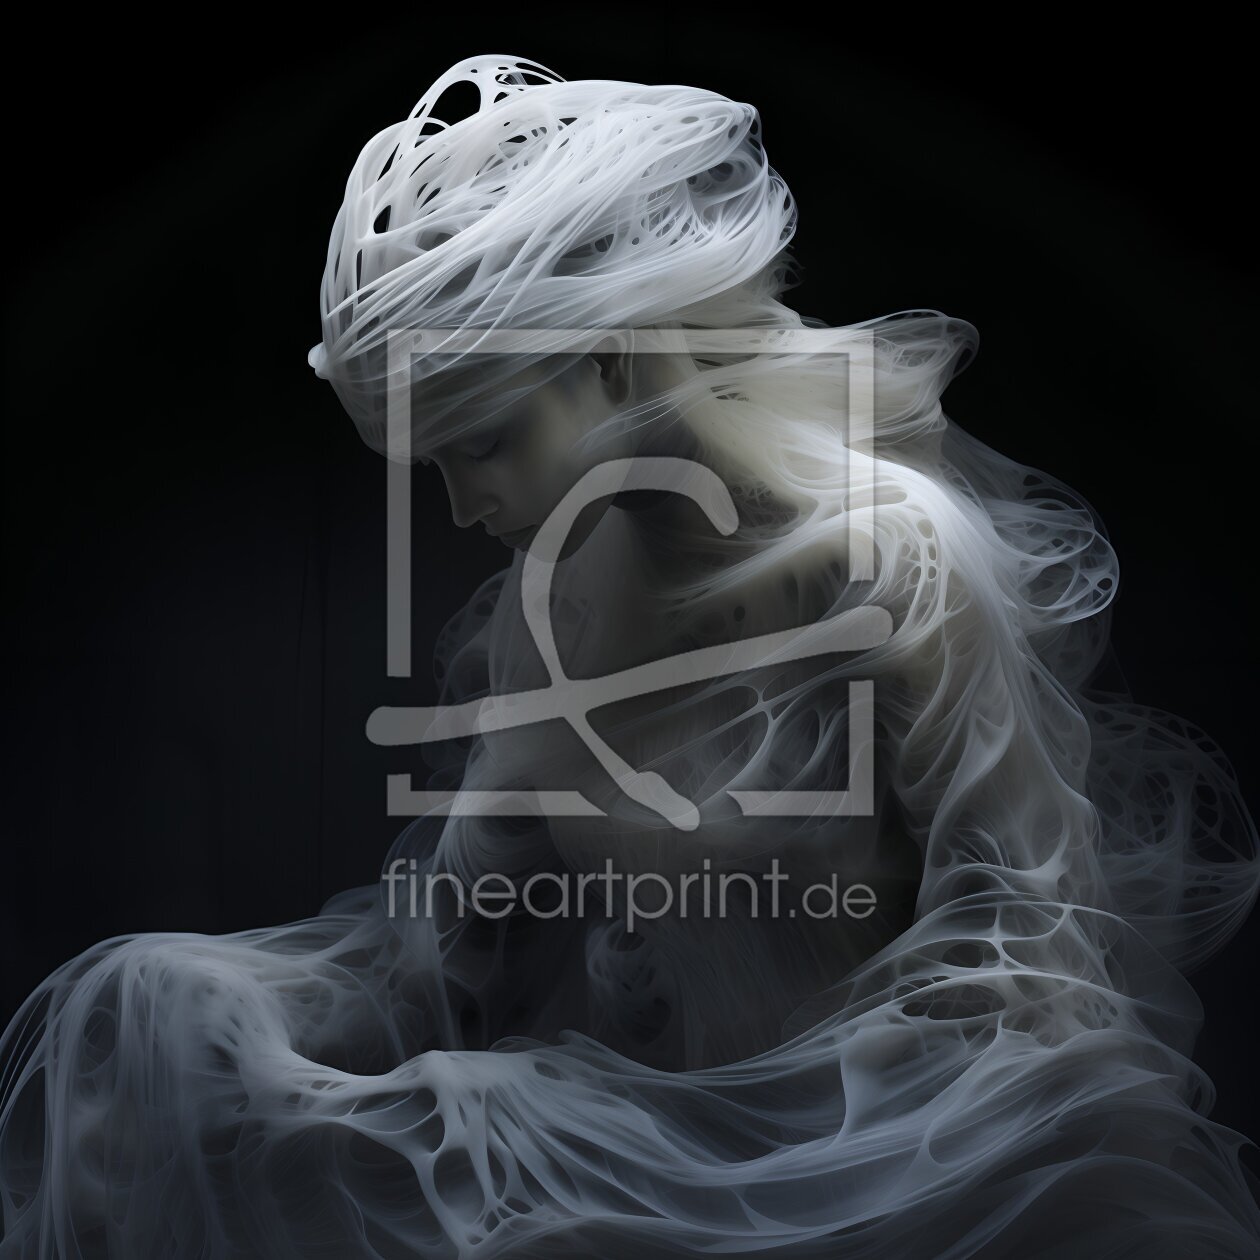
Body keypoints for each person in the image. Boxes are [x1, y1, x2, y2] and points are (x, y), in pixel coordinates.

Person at [2, 53, 1258, 1259]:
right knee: (162, 1020)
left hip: (925, 1176)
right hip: (678, 1170)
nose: (458, 507)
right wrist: (202, 1014)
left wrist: (685, 1151)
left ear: (608, 359)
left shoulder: (895, 563)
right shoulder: (553, 607)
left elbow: (1024, 967)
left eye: (481, 443)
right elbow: (458, 960)